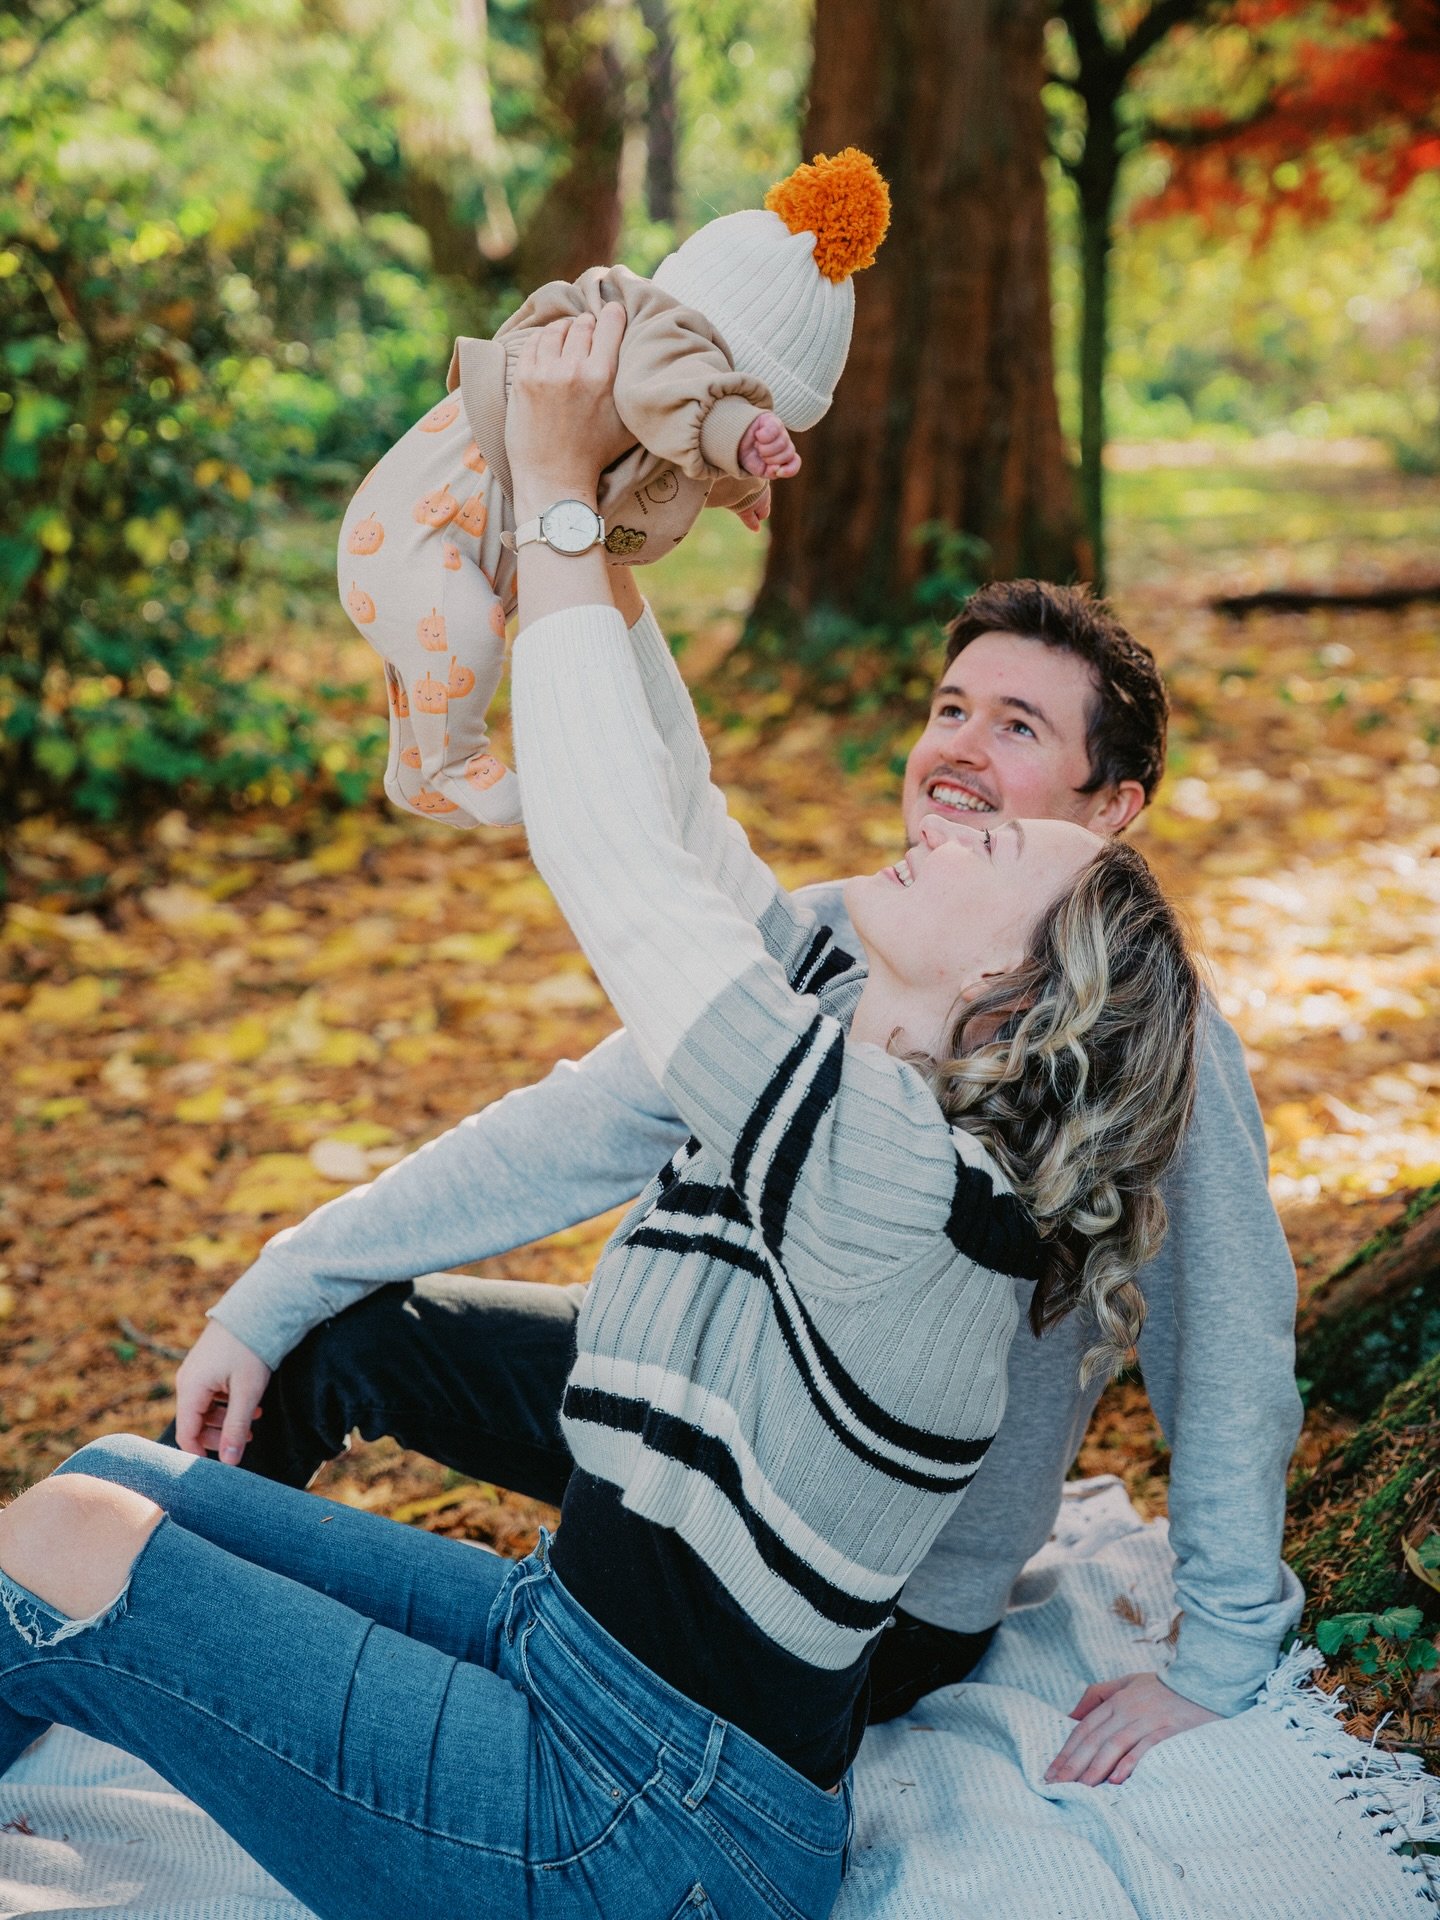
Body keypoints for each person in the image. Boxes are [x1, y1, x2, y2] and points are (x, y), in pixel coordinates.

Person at [0, 307, 1202, 1920]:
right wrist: (605, 542)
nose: (954, 807)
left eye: (1008, 848)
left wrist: (560, 501)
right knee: (109, 1475)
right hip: (566, 1654)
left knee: (63, 1542)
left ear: (1018, 1005)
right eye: (954, 721)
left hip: (642, 1834)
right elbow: (680, 839)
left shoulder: (908, 1177)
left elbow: (621, 867)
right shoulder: (840, 1038)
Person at [170, 572, 1305, 1788]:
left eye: (1018, 729)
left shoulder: (1140, 1048)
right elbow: (573, 1113)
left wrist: (1221, 1648)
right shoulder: (842, 938)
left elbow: (1228, 1333)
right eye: (950, 708)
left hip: (857, 1583)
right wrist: (277, 1282)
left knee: (474, 1685)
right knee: (327, 1334)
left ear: (1113, 807)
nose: (957, 751)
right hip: (695, 1412)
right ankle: (116, 1623)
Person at [339, 147, 887, 826]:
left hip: (429, 546)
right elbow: (680, 399)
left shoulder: (648, 384)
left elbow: (669, 441)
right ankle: (454, 760)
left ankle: (416, 771)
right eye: (753, 408)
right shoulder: (651, 336)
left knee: (434, 651)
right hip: (413, 537)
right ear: (726, 365)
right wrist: (741, 435)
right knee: (466, 639)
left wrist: (743, 484)